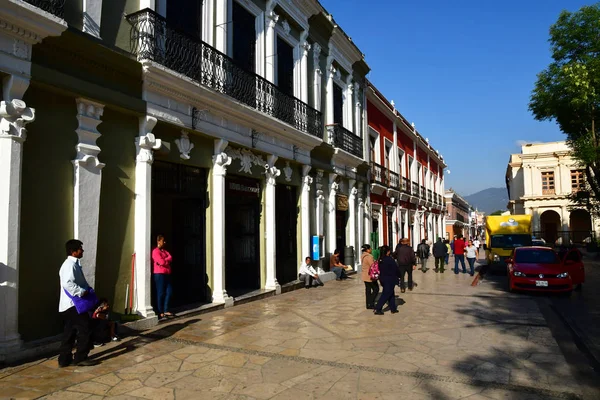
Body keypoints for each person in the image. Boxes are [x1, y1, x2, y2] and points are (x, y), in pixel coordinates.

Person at [58, 239, 98, 367]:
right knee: (85, 328)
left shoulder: (73, 264)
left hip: (68, 305)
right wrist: (82, 292)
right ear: (73, 251)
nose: (82, 250)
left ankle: (64, 359)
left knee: (69, 332)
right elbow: (67, 283)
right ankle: (80, 357)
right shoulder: (69, 265)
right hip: (72, 305)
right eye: (80, 248)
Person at [373, 245, 400, 315]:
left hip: (383, 278)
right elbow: (395, 269)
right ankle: (377, 308)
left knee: (391, 294)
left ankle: (393, 308)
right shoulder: (390, 259)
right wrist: (399, 276)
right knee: (386, 294)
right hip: (390, 279)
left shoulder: (380, 259)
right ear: (387, 252)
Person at [152, 234, 173, 319]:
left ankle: (166, 309)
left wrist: (165, 260)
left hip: (167, 273)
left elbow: (170, 257)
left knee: (169, 291)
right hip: (159, 274)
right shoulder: (155, 251)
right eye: (163, 241)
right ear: (158, 241)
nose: (164, 242)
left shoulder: (164, 251)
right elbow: (161, 262)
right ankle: (160, 311)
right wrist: (165, 260)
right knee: (160, 293)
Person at [361, 244, 379, 310]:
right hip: (369, 276)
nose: (371, 250)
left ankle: (368, 304)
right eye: (370, 249)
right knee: (376, 289)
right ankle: (370, 302)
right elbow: (372, 265)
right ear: (368, 250)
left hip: (364, 275)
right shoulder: (369, 257)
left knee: (368, 290)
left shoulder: (363, 256)